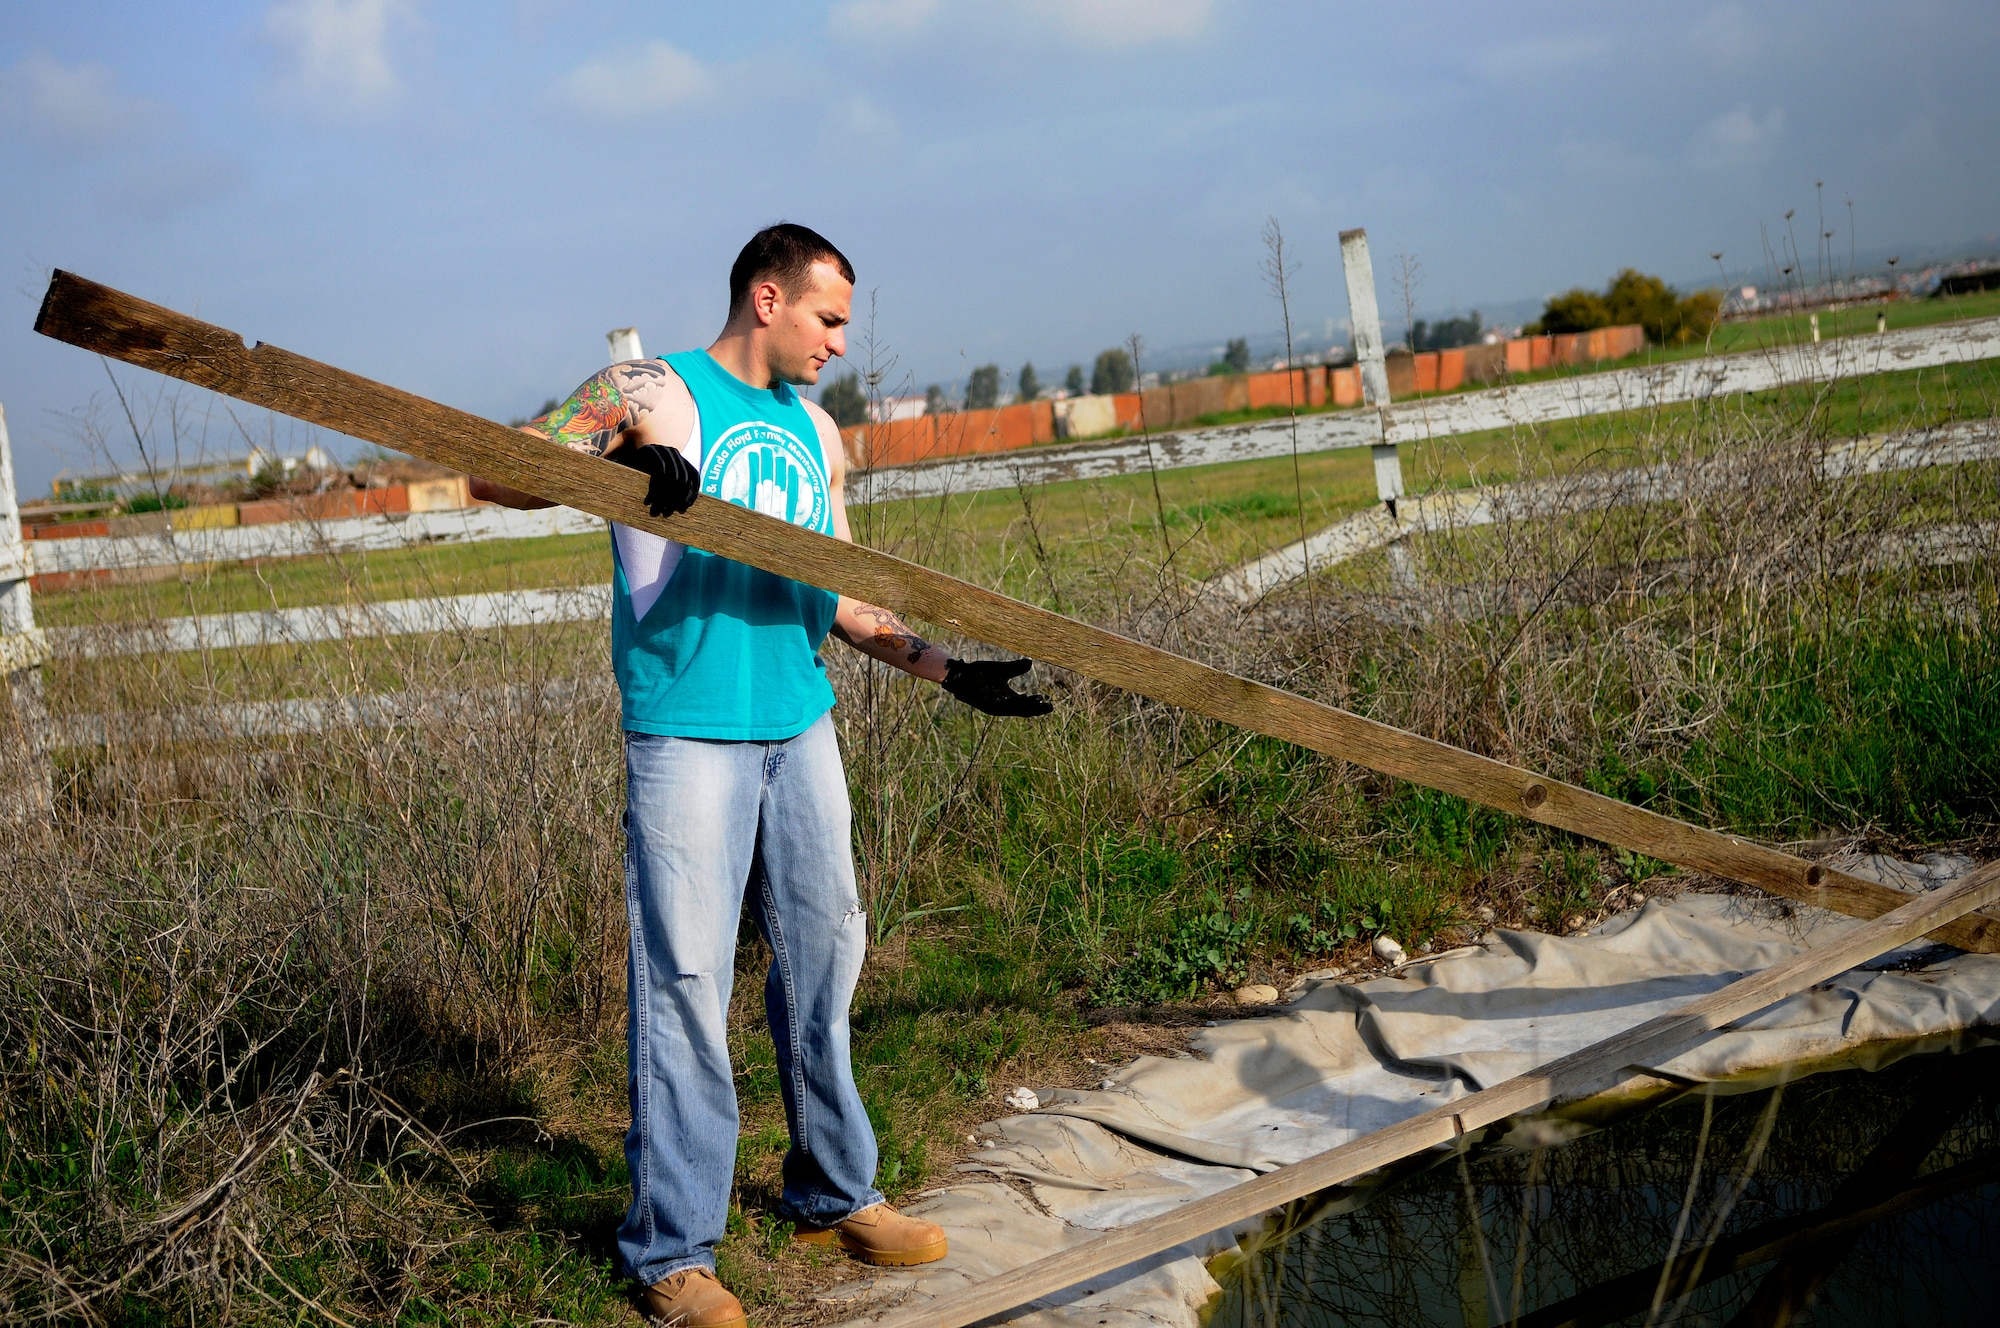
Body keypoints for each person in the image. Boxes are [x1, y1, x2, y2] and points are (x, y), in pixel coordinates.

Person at [471, 223, 1051, 1327]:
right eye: (830, 318)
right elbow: (490, 472)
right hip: (686, 732)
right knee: (686, 985)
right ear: (768, 297)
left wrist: (942, 667)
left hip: (802, 725)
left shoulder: (819, 433)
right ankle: (670, 1251)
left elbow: (833, 589)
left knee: (826, 957)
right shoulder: (645, 388)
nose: (840, 342)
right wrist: (611, 461)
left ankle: (833, 1189)